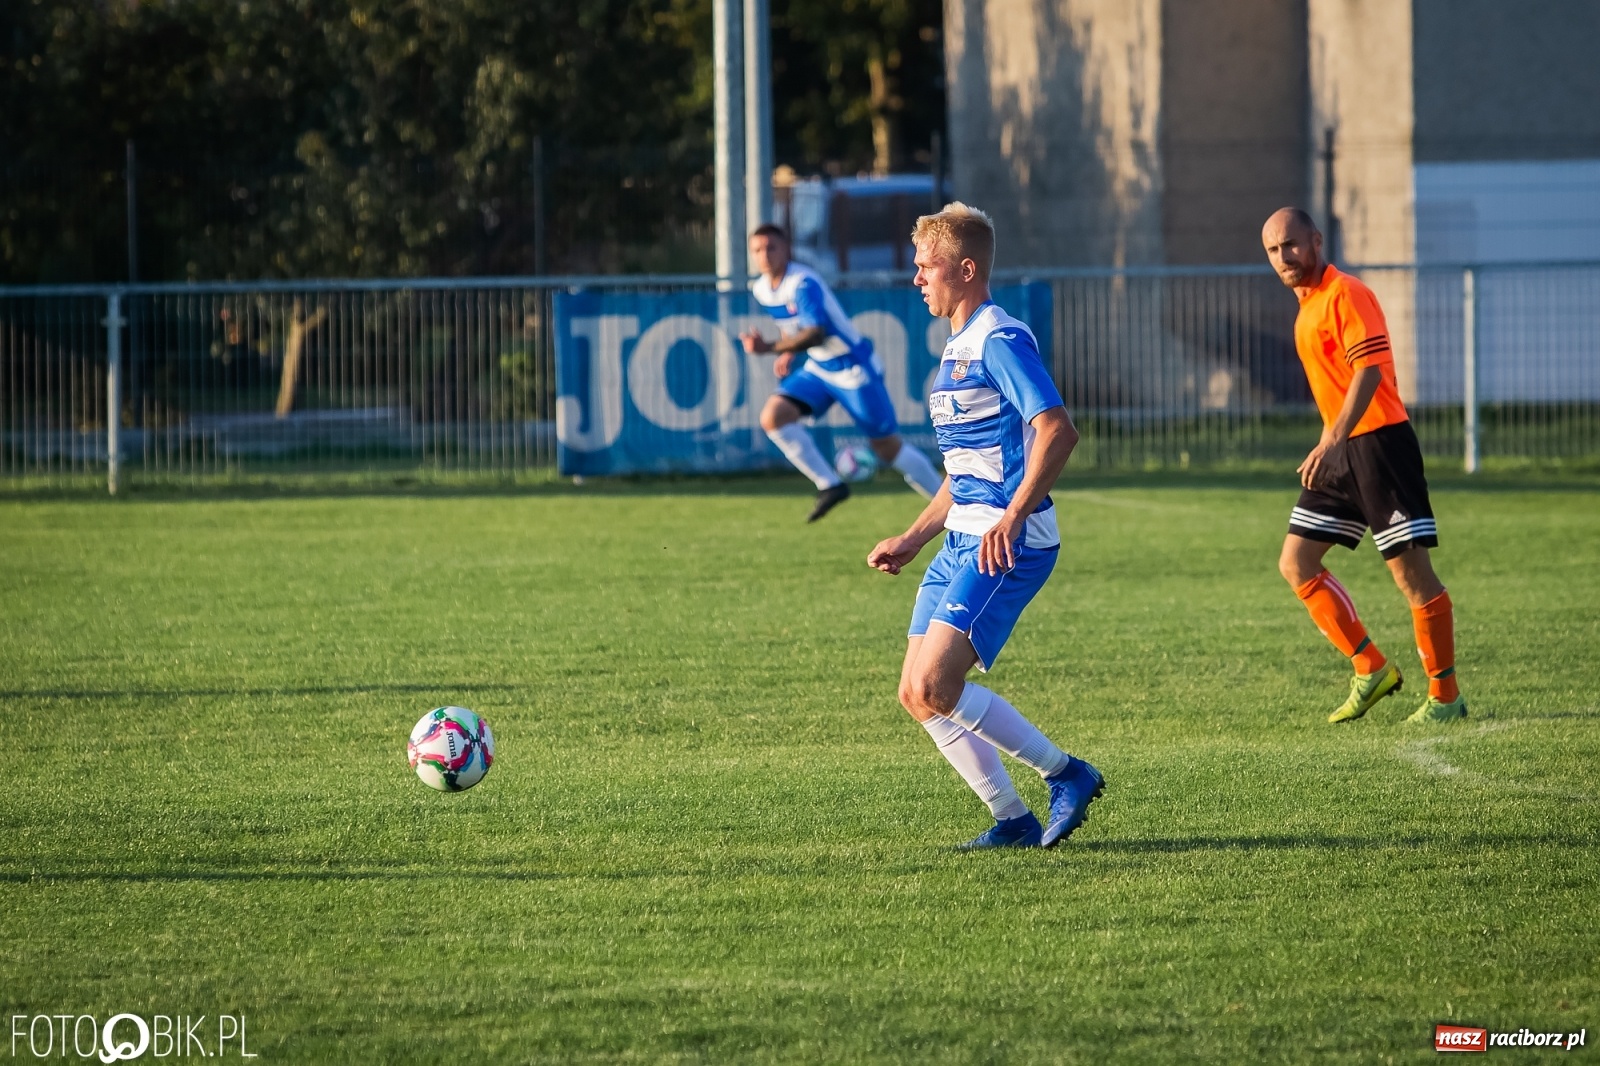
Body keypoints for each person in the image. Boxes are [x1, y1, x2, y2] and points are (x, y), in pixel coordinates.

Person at [867, 203, 1104, 850]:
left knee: (937, 684)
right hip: (958, 541)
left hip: (1008, 543)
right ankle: (1013, 819)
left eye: (926, 267)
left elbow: (1057, 430)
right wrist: (913, 538)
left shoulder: (1000, 338)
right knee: (917, 695)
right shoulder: (956, 350)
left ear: (965, 270)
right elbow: (963, 472)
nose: (917, 279)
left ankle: (1069, 775)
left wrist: (1016, 512)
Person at [1261, 207, 1466, 724]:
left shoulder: (1346, 293)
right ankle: (1370, 666)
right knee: (1296, 562)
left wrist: (1332, 438)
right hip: (1341, 450)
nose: (1284, 257)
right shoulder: (1305, 310)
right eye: (1273, 250)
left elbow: (1369, 371)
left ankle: (1446, 698)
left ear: (1315, 241)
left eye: (1291, 244)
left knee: (1413, 577)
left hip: (1380, 447)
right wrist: (1332, 442)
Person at [740, 224, 944, 521]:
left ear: (787, 250)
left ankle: (951, 505)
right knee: (773, 417)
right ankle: (830, 485)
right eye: (758, 250)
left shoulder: (803, 283)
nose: (765, 255)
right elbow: (794, 326)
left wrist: (770, 347)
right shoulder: (761, 288)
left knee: (887, 448)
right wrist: (788, 351)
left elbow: (816, 333)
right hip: (819, 369)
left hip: (852, 369)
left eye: (772, 247)